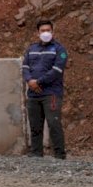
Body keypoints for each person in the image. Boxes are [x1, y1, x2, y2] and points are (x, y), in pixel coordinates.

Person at [22, 19, 69, 159]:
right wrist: (30, 81)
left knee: (53, 123)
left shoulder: (60, 50)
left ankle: (59, 155)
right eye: (42, 31)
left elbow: (57, 70)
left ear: (53, 31)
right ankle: (36, 153)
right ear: (37, 33)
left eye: (48, 30)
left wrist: (39, 82)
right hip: (33, 94)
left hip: (51, 94)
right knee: (35, 125)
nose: (45, 33)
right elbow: (25, 67)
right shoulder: (31, 49)